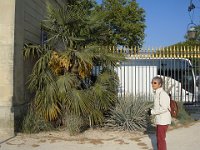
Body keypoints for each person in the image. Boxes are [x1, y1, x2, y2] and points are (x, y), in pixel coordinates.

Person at [148, 76, 171, 150]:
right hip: (160, 120)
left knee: (161, 139)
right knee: (159, 138)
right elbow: (159, 107)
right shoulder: (158, 93)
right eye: (152, 82)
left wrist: (152, 112)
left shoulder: (162, 94)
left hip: (163, 121)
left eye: (155, 83)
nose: (152, 84)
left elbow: (164, 108)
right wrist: (151, 110)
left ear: (160, 84)